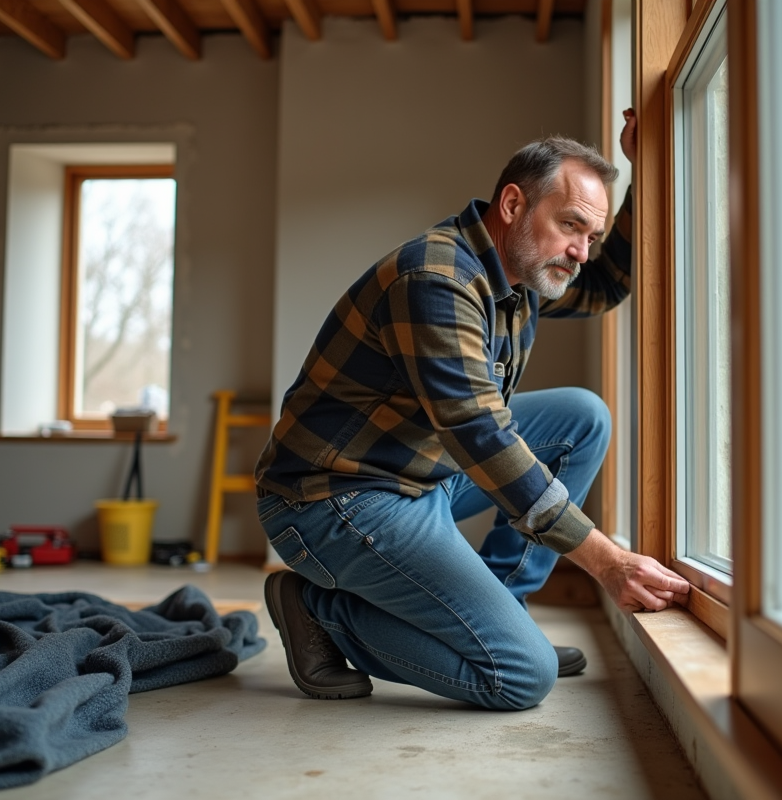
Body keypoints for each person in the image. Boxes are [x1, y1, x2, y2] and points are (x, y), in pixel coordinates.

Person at [253, 110, 689, 711]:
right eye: (570, 226)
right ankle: (315, 608)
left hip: (419, 471)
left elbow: (605, 286)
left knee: (581, 417)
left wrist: (646, 169)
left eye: (591, 235)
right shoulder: (435, 279)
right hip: (336, 498)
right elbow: (480, 435)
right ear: (513, 204)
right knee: (519, 677)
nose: (582, 251)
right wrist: (607, 562)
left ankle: (504, 613)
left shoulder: (518, 273)